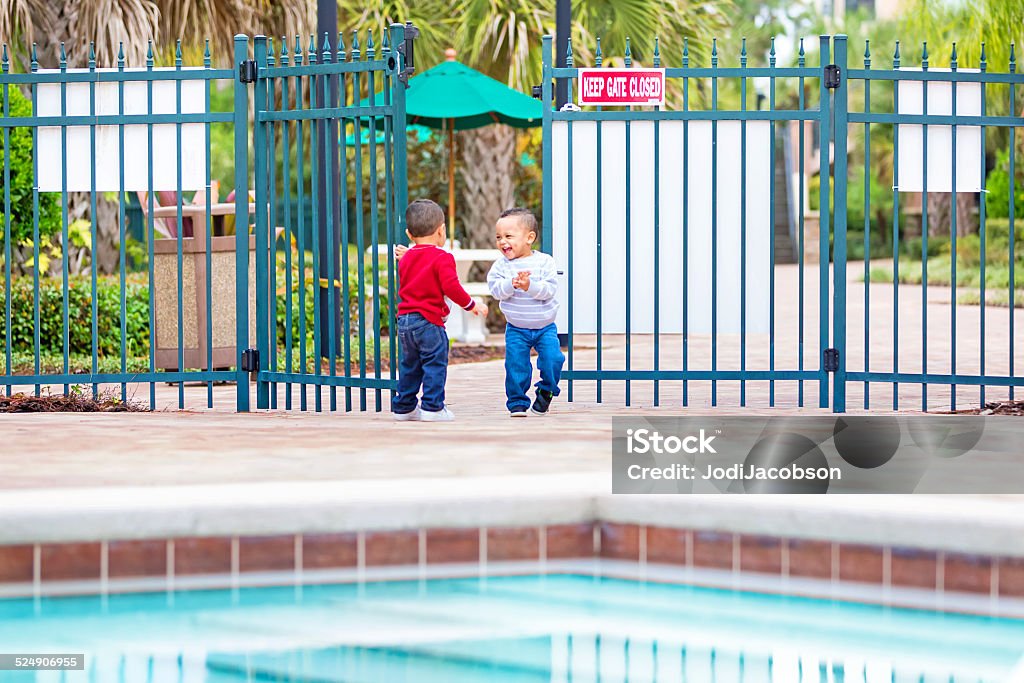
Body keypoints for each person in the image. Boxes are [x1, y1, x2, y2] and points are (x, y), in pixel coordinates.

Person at [392, 199, 487, 422]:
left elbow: (417, 267)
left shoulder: (406, 258)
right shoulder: (443, 257)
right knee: (434, 364)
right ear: (441, 231)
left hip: (405, 321)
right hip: (429, 321)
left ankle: (404, 408)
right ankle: (432, 408)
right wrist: (471, 305)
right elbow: (451, 287)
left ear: (409, 233)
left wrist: (409, 253)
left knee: (410, 365)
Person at [486, 208, 565, 417]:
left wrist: (529, 285)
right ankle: (517, 402)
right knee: (516, 366)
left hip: (545, 327)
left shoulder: (545, 262)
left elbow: (549, 290)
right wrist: (511, 284)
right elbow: (495, 290)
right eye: (498, 237)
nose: (503, 242)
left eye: (509, 236)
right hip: (516, 328)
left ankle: (547, 389)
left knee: (553, 360)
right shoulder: (501, 266)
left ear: (530, 237)